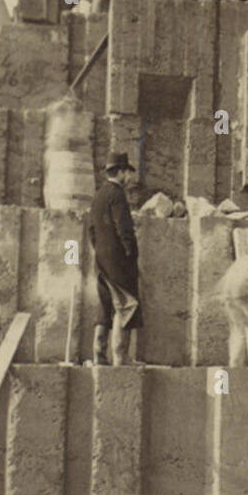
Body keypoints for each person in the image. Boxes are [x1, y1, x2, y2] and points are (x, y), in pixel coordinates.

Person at [89, 151, 143, 365]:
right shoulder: (117, 194)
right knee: (127, 306)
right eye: (127, 172)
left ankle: (98, 356)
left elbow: (92, 230)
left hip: (101, 260)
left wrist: (101, 251)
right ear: (119, 172)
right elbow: (124, 228)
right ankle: (121, 358)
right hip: (119, 262)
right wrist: (130, 253)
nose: (129, 177)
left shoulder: (99, 195)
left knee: (105, 307)